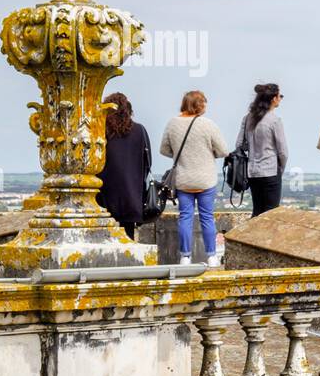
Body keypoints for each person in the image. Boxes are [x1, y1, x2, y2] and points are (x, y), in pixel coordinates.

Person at [161, 90, 228, 266]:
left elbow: (164, 149)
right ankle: (212, 256)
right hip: (206, 179)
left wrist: (181, 155)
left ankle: (185, 256)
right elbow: (223, 151)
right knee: (207, 217)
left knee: (185, 217)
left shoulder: (172, 124)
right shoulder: (208, 125)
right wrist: (206, 152)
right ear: (199, 105)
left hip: (183, 179)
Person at [97, 92, 151, 239]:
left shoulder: (101, 130)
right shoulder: (139, 130)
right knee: (128, 236)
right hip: (131, 191)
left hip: (105, 191)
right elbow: (148, 161)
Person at [237, 83, 288, 217]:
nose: (280, 98)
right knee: (271, 214)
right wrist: (280, 169)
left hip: (253, 172)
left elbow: (239, 144)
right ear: (273, 99)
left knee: (257, 211)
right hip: (270, 170)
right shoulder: (275, 120)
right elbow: (283, 151)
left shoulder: (247, 118)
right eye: (280, 96)